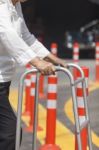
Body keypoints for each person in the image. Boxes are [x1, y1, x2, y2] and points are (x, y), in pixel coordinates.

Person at [0, 0, 66, 149]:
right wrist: (36, 62)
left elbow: (25, 36)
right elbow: (6, 33)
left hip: (3, 80)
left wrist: (53, 59)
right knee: (10, 132)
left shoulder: (15, 6)